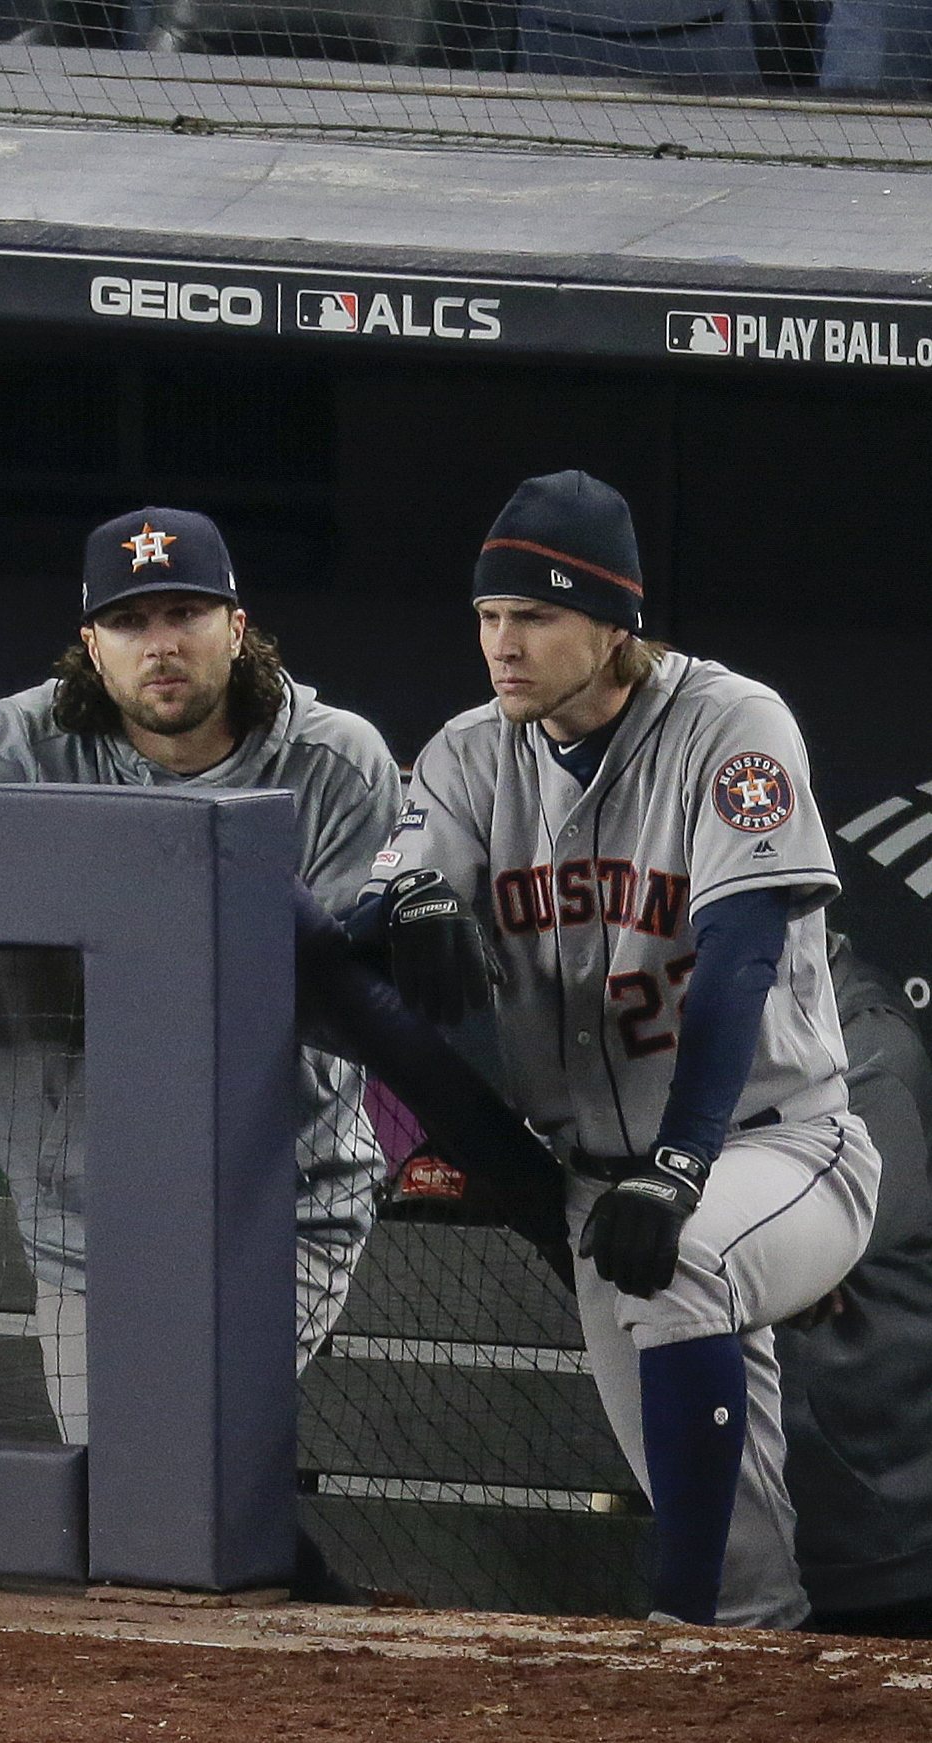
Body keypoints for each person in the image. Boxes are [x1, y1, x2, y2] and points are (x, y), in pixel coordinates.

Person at [367, 468, 879, 1628]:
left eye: (537, 616)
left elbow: (742, 953)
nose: (504, 643)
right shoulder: (468, 754)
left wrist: (684, 1162)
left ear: (615, 624)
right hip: (601, 1180)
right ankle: (740, 1670)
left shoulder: (731, 725)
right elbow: (385, 897)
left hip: (775, 1147)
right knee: (744, 1586)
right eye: (490, 617)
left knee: (686, 1266)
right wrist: (413, 904)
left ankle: (668, 1637)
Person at [0, 507, 402, 1443]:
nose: (160, 644)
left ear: (238, 627)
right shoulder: (23, 746)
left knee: (178, 1450)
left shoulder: (334, 765)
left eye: (185, 613)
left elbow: (322, 995)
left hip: (276, 1203)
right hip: (84, 1220)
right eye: (130, 622)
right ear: (91, 646)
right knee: (121, 1470)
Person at [780, 935, 932, 1636]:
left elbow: (814, 1248)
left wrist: (778, 1256)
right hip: (782, 1501)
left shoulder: (867, 1037)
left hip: (887, 1515)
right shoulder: (717, 1027)